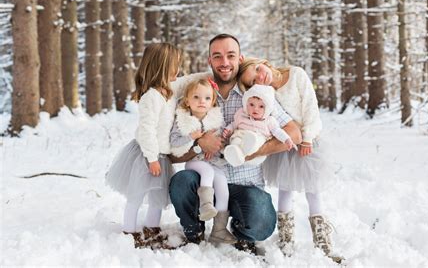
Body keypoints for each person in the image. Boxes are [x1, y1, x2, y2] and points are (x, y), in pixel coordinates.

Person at [168, 34, 302, 254]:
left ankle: (239, 231)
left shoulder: (256, 94)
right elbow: (172, 155)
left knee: (261, 224)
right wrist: (200, 143)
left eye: (230, 55)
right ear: (209, 61)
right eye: (217, 56)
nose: (224, 62)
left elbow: (294, 133)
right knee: (181, 181)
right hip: (206, 180)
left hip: (246, 183)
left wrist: (251, 152)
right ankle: (194, 230)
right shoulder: (198, 95)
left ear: (241, 58)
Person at [238, 58, 342, 262]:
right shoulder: (267, 94)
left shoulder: (296, 75)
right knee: (284, 190)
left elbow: (311, 108)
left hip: (308, 142)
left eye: (258, 69)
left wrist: (308, 138)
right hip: (285, 145)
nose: (260, 77)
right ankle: (286, 238)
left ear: (264, 62)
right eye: (254, 81)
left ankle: (322, 239)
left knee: (313, 191)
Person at [105, 43, 181, 249]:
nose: (179, 70)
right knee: (137, 195)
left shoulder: (168, 92)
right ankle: (129, 231)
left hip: (161, 156)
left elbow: (187, 81)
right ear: (162, 68)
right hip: (147, 156)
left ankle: (152, 228)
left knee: (157, 197)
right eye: (175, 66)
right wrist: (152, 158)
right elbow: (147, 129)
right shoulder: (152, 97)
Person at [169, 78, 236, 244]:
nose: (201, 102)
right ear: (187, 101)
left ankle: (219, 229)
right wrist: (193, 139)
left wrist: (218, 143)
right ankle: (205, 205)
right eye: (196, 97)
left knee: (222, 186)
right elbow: (174, 142)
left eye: (207, 98)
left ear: (213, 101)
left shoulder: (215, 120)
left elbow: (222, 140)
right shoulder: (183, 120)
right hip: (195, 163)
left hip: (213, 162)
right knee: (207, 171)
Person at [223, 84, 295, 167]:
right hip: (241, 136)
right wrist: (228, 130)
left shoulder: (269, 121)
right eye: (251, 105)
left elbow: (277, 131)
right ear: (246, 104)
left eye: (261, 106)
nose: (255, 109)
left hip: (258, 143)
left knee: (257, 140)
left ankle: (249, 145)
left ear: (267, 108)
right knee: (236, 140)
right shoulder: (241, 115)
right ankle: (234, 153)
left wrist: (286, 139)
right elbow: (233, 124)